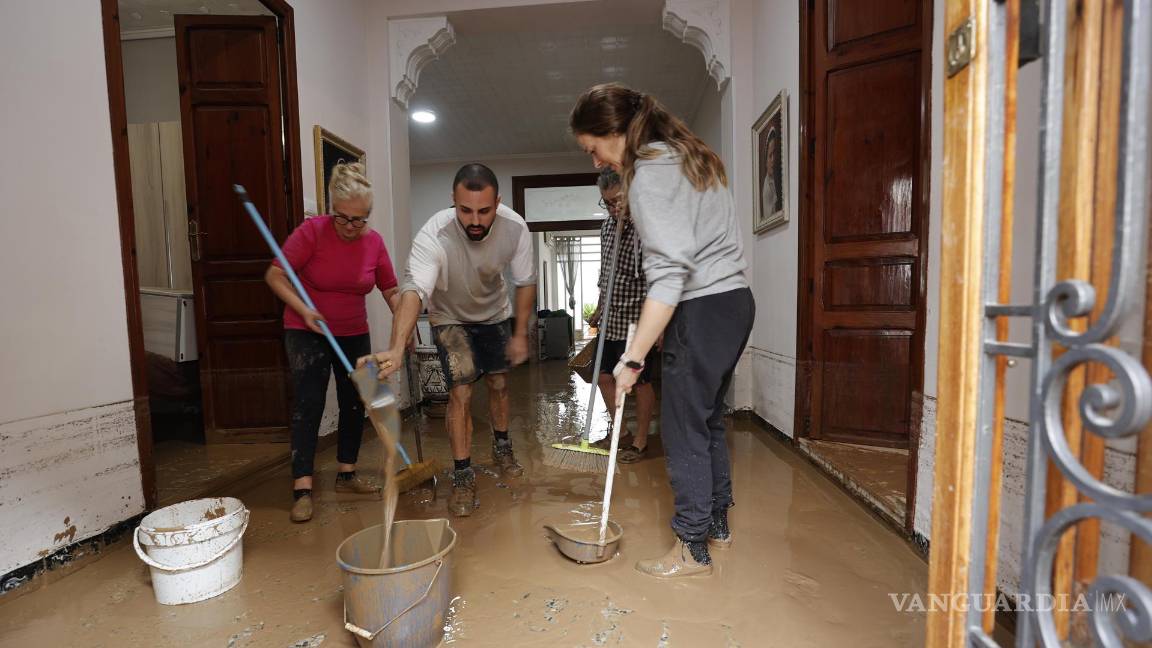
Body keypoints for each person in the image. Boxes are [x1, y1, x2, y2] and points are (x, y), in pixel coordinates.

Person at [570, 83, 755, 578]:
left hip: (700, 307)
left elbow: (670, 277)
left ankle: (691, 548)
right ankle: (716, 524)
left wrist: (631, 358)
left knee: (681, 429)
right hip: (735, 303)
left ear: (615, 132)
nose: (596, 162)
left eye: (594, 149)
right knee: (708, 419)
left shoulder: (649, 175)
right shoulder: (688, 156)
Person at [361, 163, 537, 517]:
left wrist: (519, 334)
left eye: (484, 211)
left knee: (500, 384)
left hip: (495, 314)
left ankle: (502, 446)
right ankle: (462, 474)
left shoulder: (515, 227)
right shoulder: (434, 234)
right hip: (450, 318)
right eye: (465, 210)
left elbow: (525, 281)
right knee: (461, 392)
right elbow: (413, 291)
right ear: (453, 202)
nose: (475, 220)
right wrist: (397, 346)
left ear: (497, 203)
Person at [265, 161, 401, 523]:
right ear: (331, 209)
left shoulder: (373, 242)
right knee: (308, 402)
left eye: (360, 219)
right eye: (343, 218)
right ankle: (303, 487)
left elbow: (390, 288)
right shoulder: (311, 233)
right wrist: (303, 310)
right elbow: (275, 275)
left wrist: (406, 316)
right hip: (306, 328)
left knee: (357, 399)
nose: (351, 228)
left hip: (354, 329)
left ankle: (346, 472)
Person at [587, 167, 657, 463]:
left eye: (618, 201)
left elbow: (658, 280)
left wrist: (658, 328)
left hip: (638, 320)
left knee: (639, 382)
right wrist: (599, 309)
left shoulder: (647, 229)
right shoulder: (605, 228)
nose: (614, 208)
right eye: (608, 203)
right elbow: (607, 275)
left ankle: (640, 441)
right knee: (602, 377)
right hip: (611, 318)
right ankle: (621, 432)